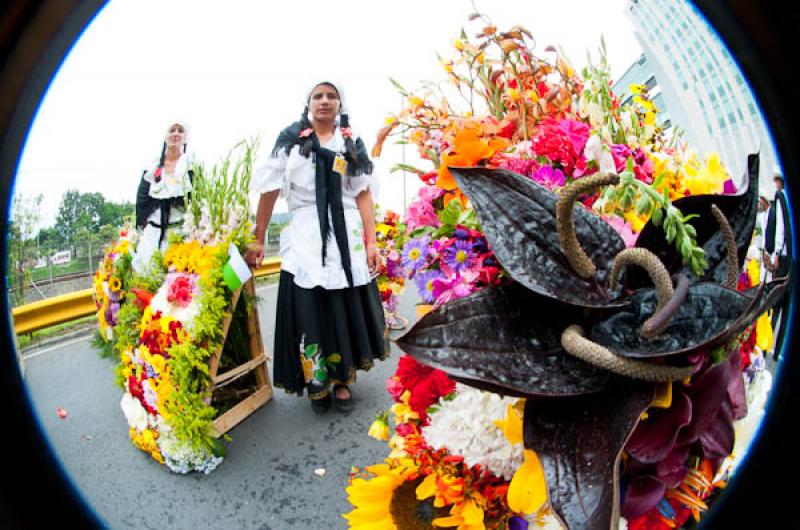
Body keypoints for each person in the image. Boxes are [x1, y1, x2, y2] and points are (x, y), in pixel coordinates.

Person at [246, 81, 388, 413]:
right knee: (310, 306)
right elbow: (269, 190)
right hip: (306, 232)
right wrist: (259, 235)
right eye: (318, 96)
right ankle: (317, 378)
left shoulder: (351, 142)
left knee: (343, 304)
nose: (324, 101)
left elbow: (363, 192)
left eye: (331, 96)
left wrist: (371, 241)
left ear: (340, 103)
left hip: (346, 232)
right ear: (308, 103)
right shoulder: (291, 140)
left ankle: (341, 379)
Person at [132, 121, 193, 273]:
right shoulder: (152, 167)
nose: (176, 134)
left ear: (185, 138)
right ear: (166, 136)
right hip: (153, 235)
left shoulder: (190, 166)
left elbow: (197, 199)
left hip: (180, 234)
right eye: (172, 130)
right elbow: (142, 201)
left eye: (180, 131)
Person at [764, 172, 792, 359]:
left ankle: (766, 344)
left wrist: (776, 254)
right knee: (787, 306)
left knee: (775, 300)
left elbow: (780, 228)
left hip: (783, 258)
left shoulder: (781, 197)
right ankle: (777, 349)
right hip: (794, 261)